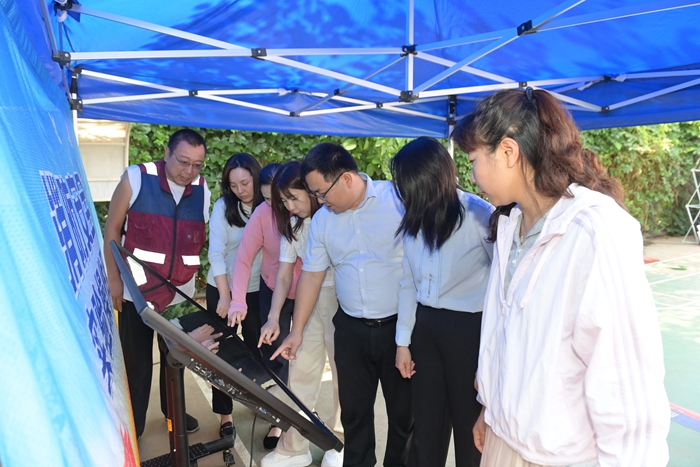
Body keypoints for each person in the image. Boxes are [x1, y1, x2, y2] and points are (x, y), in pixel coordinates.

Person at [452, 88, 670, 466]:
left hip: (559, 457)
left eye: (473, 160)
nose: (472, 176)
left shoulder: (595, 231)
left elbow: (627, 387)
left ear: (508, 152)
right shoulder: (509, 225)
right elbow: (505, 339)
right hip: (504, 438)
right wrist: (490, 409)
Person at [273, 143, 413, 467]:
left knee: (403, 417)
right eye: (314, 195)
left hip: (399, 330)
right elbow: (311, 276)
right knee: (354, 415)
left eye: (322, 193)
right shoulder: (323, 220)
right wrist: (296, 330)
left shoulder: (398, 200)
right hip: (350, 330)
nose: (320, 201)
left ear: (347, 179)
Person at [391, 137, 493, 467]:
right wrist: (402, 343)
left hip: (469, 331)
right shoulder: (413, 221)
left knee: (470, 428)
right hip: (426, 329)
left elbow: (504, 282)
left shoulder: (479, 215)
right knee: (427, 426)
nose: (403, 195)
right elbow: (408, 283)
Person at [104, 129, 211, 439]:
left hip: (178, 294)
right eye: (183, 161)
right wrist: (114, 279)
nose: (189, 171)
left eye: (197, 165)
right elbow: (112, 228)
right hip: (136, 294)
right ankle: (133, 425)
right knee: (136, 365)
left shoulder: (202, 188)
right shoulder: (136, 178)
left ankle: (172, 411)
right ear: (167, 153)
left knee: (175, 359)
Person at [259, 161, 343, 467]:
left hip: (341, 303)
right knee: (299, 373)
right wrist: (273, 316)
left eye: (293, 198)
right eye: (283, 201)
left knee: (343, 376)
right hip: (307, 304)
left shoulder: (335, 217)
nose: (289, 206)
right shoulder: (293, 226)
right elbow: (283, 276)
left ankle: (339, 442)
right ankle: (294, 447)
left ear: (311, 191)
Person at [228, 162, 303, 449]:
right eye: (268, 199)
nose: (275, 205)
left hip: (309, 293)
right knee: (275, 352)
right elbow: (243, 259)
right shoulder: (262, 214)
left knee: (305, 352)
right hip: (274, 289)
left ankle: (302, 407)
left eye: (279, 198)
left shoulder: (307, 212)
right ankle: (278, 419)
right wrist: (237, 300)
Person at [205, 153, 264, 439]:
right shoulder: (223, 207)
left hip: (257, 290)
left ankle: (260, 402)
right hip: (222, 289)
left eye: (245, 183)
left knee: (258, 350)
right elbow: (216, 253)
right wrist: (225, 297)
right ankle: (225, 414)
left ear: (256, 177)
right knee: (220, 351)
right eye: (233, 185)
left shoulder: (270, 204)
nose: (240, 190)